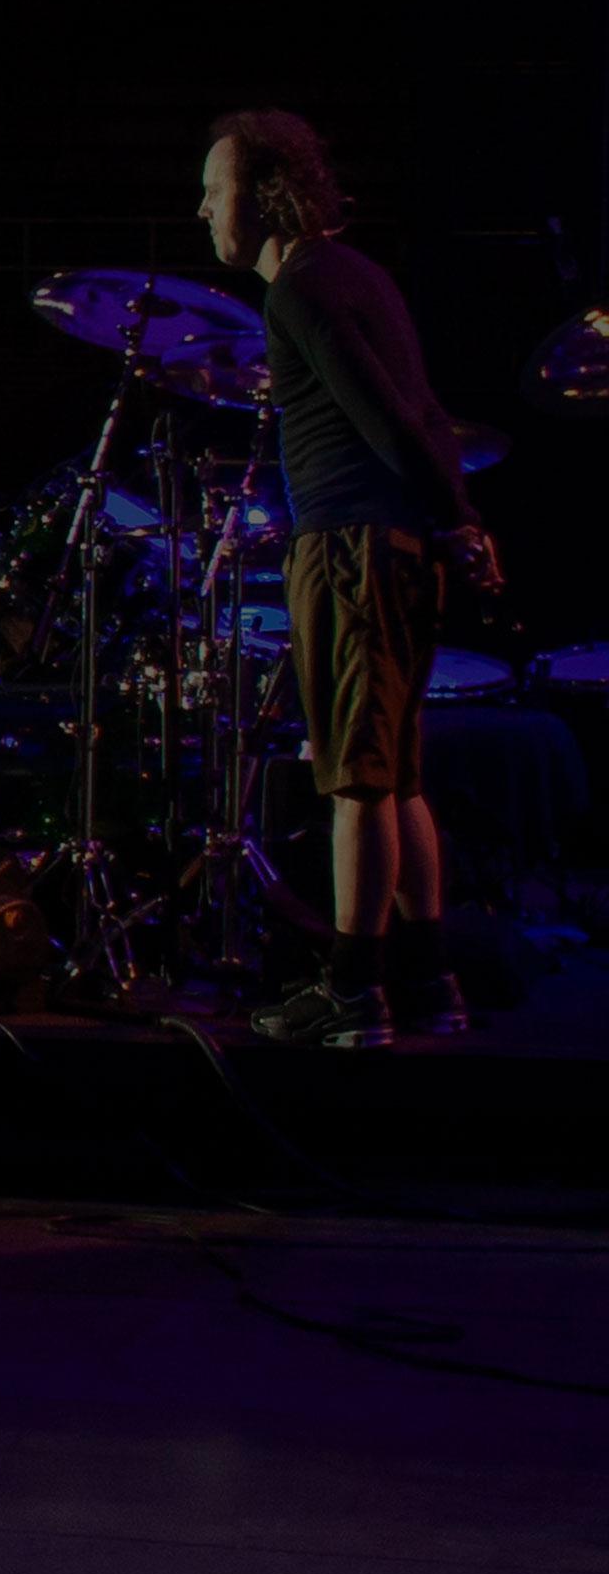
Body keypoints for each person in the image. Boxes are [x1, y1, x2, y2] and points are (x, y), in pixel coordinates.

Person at [199, 111, 505, 1048]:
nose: (204, 208)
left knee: (355, 781)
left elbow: (385, 417)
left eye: (215, 189)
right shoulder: (359, 274)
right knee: (397, 774)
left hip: (350, 553)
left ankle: (352, 989)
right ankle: (426, 980)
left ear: (262, 194)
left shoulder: (301, 287)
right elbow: (424, 413)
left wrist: (454, 520)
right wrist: (456, 522)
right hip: (393, 547)